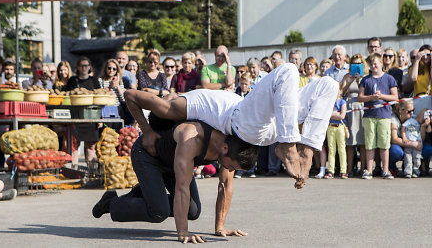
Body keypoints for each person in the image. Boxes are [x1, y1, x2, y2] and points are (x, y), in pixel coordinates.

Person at [124, 63, 339, 188]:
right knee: (288, 70)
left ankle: (308, 149)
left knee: (329, 85)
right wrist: (148, 130)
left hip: (274, 122)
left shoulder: (192, 111)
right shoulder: (179, 108)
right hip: (246, 123)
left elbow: (225, 186)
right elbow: (131, 95)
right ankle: (290, 148)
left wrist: (221, 227)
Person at [92, 120, 258, 244]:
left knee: (192, 211)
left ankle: (143, 192)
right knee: (159, 211)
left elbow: (225, 186)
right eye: (230, 164)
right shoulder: (195, 138)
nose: (229, 168)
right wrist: (183, 232)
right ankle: (111, 203)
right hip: (148, 155)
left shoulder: (232, 151)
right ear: (225, 149)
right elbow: (182, 187)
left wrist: (220, 227)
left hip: (173, 162)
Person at [358, 53, 398, 180]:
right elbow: (360, 97)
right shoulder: (366, 80)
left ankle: (385, 170)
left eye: (375, 63)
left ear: (381, 63)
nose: (373, 66)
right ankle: (369, 170)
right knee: (369, 143)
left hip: (384, 115)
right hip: (369, 115)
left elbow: (395, 97)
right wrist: (371, 97)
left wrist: (381, 96)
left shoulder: (389, 78)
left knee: (384, 143)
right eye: (371, 64)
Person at [63, 57, 101, 164]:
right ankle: (75, 175)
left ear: (89, 67)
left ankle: (91, 175)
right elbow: (66, 96)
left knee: (91, 147)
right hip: (76, 117)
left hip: (91, 117)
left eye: (86, 65)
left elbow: (99, 100)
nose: (84, 68)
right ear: (78, 67)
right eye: (82, 65)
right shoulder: (72, 80)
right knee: (74, 147)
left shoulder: (94, 80)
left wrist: (100, 118)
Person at [341, 54, 369, 176]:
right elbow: (342, 92)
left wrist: (359, 81)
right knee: (350, 141)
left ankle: (363, 168)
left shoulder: (366, 77)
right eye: (354, 63)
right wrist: (351, 80)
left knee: (362, 141)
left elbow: (366, 92)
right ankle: (350, 168)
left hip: (362, 107)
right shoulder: (346, 76)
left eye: (359, 63)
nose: (357, 66)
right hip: (349, 107)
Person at [324, 88, 348, 179]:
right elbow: (326, 113)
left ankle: (343, 170)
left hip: (340, 127)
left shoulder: (342, 102)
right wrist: (335, 114)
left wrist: (332, 114)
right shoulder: (329, 101)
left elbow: (342, 115)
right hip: (330, 127)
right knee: (331, 149)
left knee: (341, 149)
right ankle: (330, 170)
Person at [400, 106, 424, 178]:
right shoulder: (408, 121)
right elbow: (403, 128)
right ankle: (408, 172)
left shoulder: (419, 122)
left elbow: (422, 131)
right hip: (408, 142)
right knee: (408, 158)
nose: (412, 113)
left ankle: (416, 171)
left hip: (417, 141)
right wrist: (404, 137)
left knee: (417, 158)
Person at [409, 44, 432, 114]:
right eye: (423, 55)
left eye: (428, 54)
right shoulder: (414, 67)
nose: (425, 57)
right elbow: (413, 78)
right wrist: (416, 60)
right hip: (419, 99)